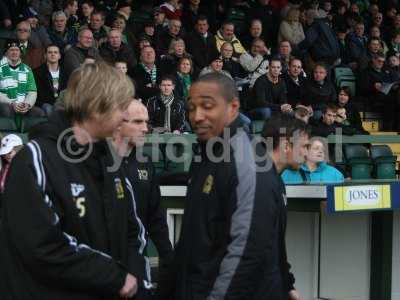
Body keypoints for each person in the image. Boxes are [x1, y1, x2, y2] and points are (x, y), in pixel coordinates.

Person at [0, 62, 151, 299]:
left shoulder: (109, 163)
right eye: (121, 106)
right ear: (96, 106)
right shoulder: (35, 160)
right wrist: (115, 276)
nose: (124, 115)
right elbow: (42, 245)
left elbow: (132, 232)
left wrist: (137, 281)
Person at [161, 73, 303, 299]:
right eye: (191, 107)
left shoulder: (247, 163)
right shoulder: (208, 156)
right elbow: (192, 241)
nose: (197, 116)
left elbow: (246, 253)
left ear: (233, 107)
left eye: (207, 106)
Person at [112, 100, 174, 296]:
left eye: (146, 122)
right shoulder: (98, 163)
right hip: (105, 263)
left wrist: (168, 256)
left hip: (138, 261)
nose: (146, 128)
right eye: (138, 122)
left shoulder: (145, 163)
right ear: (118, 123)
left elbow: (155, 215)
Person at [0, 39, 43, 118]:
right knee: (6, 110)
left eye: (17, 50)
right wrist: (12, 103)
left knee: (39, 113)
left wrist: (27, 104)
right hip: (5, 104)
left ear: (20, 53)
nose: (14, 52)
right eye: (11, 50)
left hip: (22, 104)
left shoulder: (27, 69)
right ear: (6, 53)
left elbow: (32, 91)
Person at [33, 44, 67, 116]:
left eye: (55, 52)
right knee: (49, 109)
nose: (53, 54)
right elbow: (36, 94)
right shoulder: (36, 72)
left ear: (59, 56)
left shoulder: (66, 73)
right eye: (50, 52)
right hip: (44, 104)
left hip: (62, 104)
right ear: (45, 56)